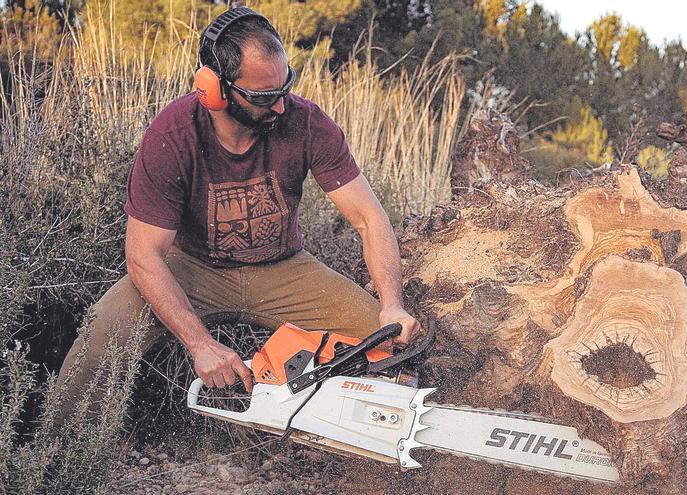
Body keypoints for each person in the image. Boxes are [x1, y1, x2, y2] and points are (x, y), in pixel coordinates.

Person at [57, 7, 420, 413]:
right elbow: (143, 256)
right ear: (214, 89)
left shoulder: (306, 122)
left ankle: (373, 449)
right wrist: (200, 344)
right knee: (99, 337)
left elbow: (370, 219)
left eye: (286, 88)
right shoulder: (171, 136)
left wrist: (392, 302)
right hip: (192, 269)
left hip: (283, 268)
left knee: (389, 339)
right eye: (264, 97)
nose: (281, 107)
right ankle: (54, 461)